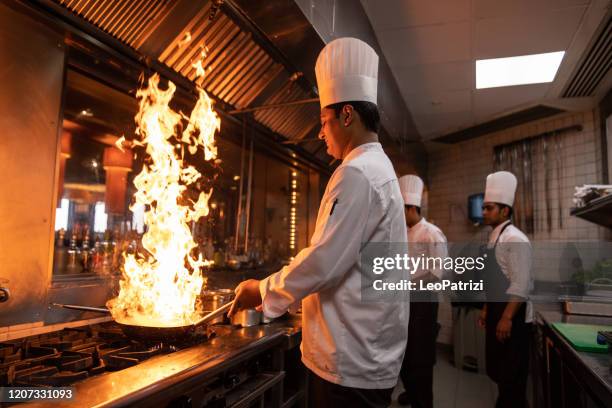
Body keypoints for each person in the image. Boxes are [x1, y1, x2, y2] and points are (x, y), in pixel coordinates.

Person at [228, 37, 409, 407]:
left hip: (350, 363)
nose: (320, 132)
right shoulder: (379, 167)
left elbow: (324, 261)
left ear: (347, 115)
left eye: (324, 121)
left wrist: (261, 289)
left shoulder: (357, 173)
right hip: (365, 353)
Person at [477, 171, 533, 408]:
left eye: (489, 208)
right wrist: (487, 308)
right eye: (484, 207)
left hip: (514, 318)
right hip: (498, 312)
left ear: (505, 211)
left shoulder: (515, 239)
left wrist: (506, 318)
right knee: (501, 374)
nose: (484, 212)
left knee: (512, 378)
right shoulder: (494, 237)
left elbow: (521, 284)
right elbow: (495, 280)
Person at [396, 175, 447, 408]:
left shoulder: (432, 233)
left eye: (400, 209)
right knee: (405, 356)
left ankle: (423, 401)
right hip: (404, 303)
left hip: (423, 305)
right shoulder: (403, 233)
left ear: (410, 208)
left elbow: (437, 273)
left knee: (421, 359)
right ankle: (411, 392)